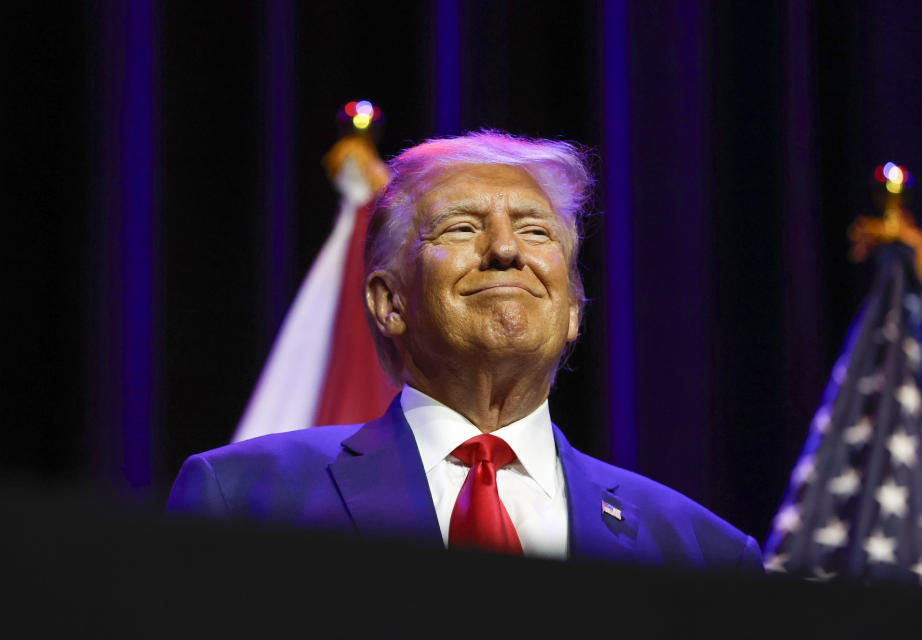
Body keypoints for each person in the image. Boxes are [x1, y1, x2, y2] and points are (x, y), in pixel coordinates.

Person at [167, 131, 763, 569]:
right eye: (461, 227)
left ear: (573, 310)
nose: (506, 249)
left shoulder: (702, 555)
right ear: (389, 302)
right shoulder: (245, 500)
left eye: (536, 230)